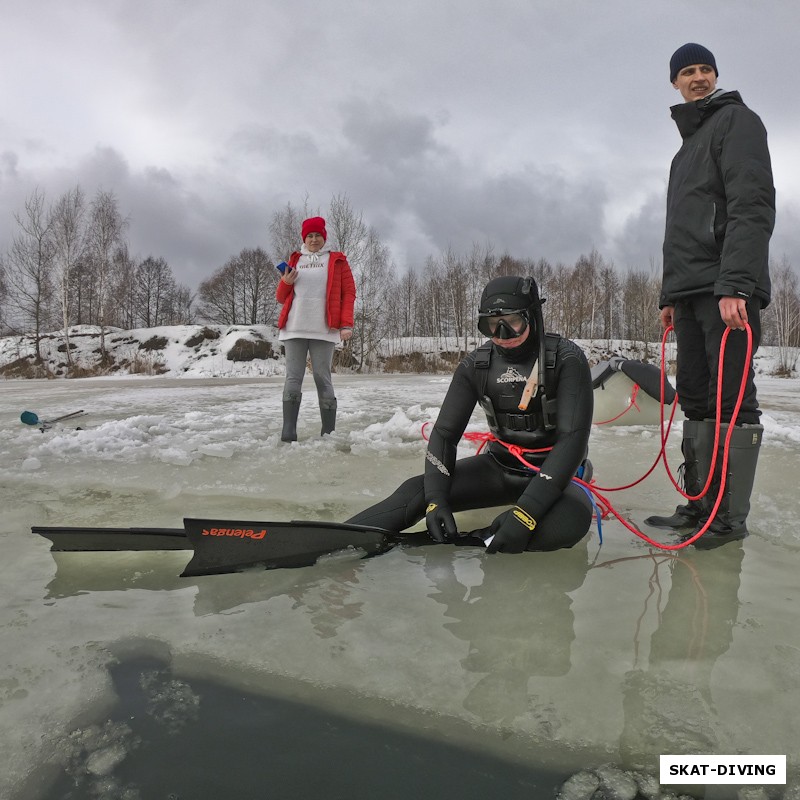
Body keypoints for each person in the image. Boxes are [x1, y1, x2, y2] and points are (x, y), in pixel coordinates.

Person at [347, 275, 594, 553]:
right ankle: (342, 538)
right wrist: (436, 501)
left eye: (513, 322)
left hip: (557, 472)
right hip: (500, 468)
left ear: (532, 316)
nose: (502, 334)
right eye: (491, 324)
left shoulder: (566, 358)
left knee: (572, 520)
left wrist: (527, 513)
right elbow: (444, 434)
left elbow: (573, 439)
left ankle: (483, 538)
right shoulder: (476, 365)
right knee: (417, 490)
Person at [645, 43, 775, 548]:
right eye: (687, 71)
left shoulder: (737, 121)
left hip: (726, 288)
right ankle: (701, 505)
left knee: (732, 401)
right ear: (674, 83)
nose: (698, 77)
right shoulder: (685, 151)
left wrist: (737, 283)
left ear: (715, 75)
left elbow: (752, 202)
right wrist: (669, 297)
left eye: (705, 69)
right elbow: (680, 230)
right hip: (692, 292)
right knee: (697, 399)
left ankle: (728, 519)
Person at [276, 216, 356, 442]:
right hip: (294, 328)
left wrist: (346, 324)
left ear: (324, 237)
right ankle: (288, 432)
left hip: (324, 329)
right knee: (293, 378)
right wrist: (286, 282)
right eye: (309, 235)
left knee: (323, 377)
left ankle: (328, 433)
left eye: (318, 235)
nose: (313, 239)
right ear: (304, 238)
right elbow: (281, 298)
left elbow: (348, 293)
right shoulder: (296, 259)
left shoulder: (337, 260)